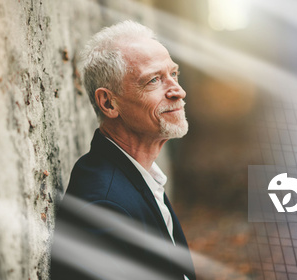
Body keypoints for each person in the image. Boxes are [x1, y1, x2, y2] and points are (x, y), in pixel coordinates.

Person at [50, 20, 196, 280]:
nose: (179, 92)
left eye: (173, 74)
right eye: (153, 80)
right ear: (108, 103)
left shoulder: (139, 174)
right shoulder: (104, 206)